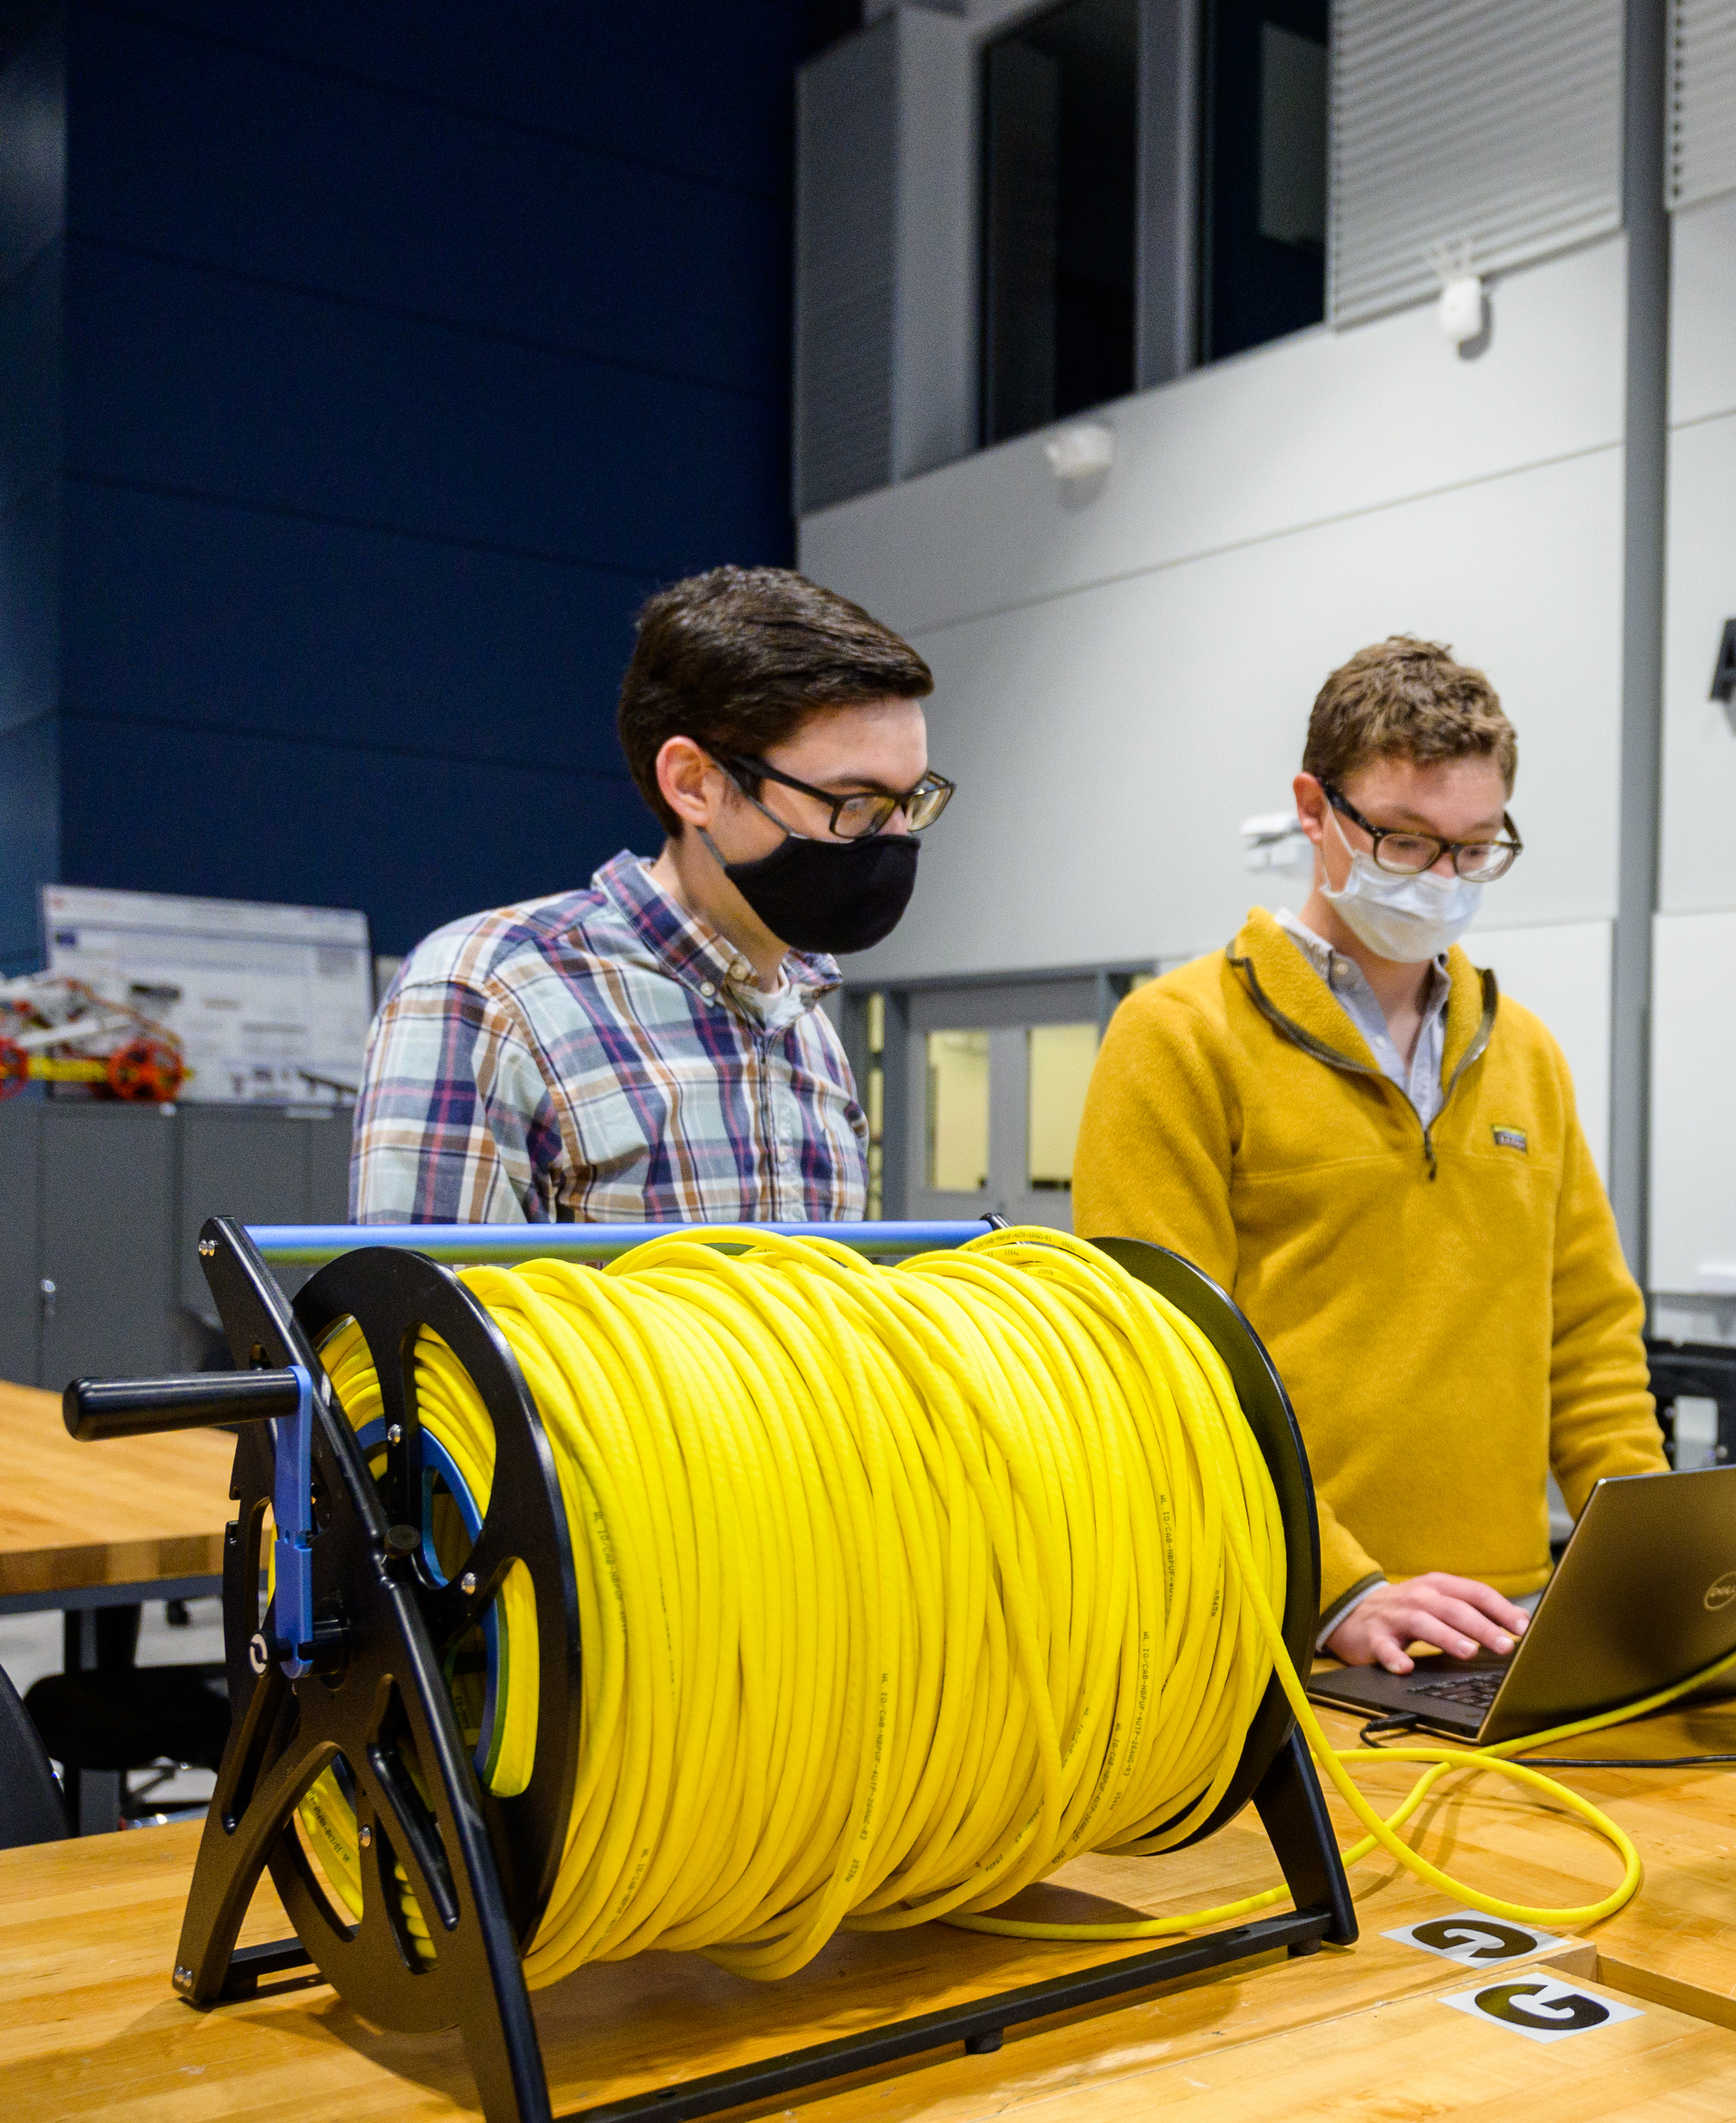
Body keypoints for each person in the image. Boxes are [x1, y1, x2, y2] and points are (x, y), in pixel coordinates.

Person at [1070, 636, 1665, 1673]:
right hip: (1278, 1615)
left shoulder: (1524, 1050)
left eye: (1474, 847)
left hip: (1502, 1617)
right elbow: (1164, 1363)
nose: (1441, 877)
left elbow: (1588, 1337)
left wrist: (1651, 1560)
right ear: (1313, 808)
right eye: (1402, 840)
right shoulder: (1177, 1035)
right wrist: (1337, 1584)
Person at [350, 568, 945, 1222]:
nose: (892, 837)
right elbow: (424, 1321)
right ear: (693, 783)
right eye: (856, 802)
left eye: (909, 800)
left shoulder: (808, 1028)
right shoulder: (488, 995)